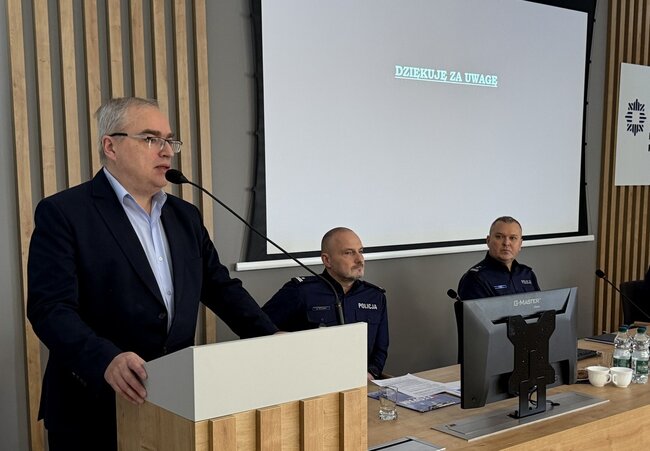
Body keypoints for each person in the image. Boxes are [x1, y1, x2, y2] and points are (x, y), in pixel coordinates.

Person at [26, 97, 279, 451]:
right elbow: (50, 308)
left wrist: (275, 339)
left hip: (174, 404)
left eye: (169, 140)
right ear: (111, 146)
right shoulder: (64, 213)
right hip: (93, 408)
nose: (167, 151)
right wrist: (105, 358)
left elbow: (221, 289)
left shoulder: (185, 216)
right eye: (150, 139)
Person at [262, 227, 389, 380]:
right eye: (348, 253)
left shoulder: (375, 296)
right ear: (327, 260)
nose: (359, 259)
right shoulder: (300, 292)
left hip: (360, 382)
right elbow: (260, 329)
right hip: (309, 381)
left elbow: (380, 348)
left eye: (360, 251)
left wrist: (371, 373)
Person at [457, 216, 540, 301]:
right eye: (499, 237)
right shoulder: (475, 279)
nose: (506, 243)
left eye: (512, 238)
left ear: (520, 244)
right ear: (488, 241)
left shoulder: (527, 274)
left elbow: (539, 306)